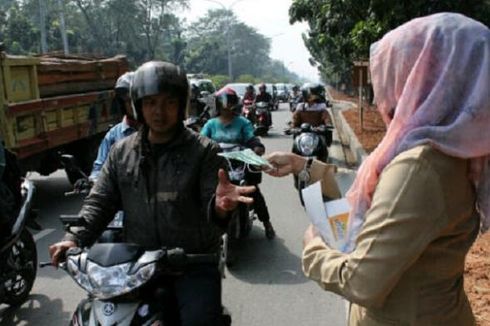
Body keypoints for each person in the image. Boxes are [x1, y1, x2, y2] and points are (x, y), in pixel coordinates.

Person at [265, 13, 489, 325]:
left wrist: (314, 251)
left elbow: (361, 280)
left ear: (420, 75)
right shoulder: (456, 148)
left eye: (397, 71)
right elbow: (375, 213)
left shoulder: (419, 166)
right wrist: (305, 166)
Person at [49, 61, 256, 325]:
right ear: (139, 106)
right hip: (135, 265)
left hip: (191, 264)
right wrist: (73, 239)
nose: (159, 112)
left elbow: (213, 208)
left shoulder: (204, 151)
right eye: (150, 103)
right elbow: (100, 201)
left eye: (169, 103)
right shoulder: (121, 152)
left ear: (181, 105)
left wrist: (220, 207)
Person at [201, 87, 275, 240]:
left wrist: (257, 147)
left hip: (239, 164)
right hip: (218, 165)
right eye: (223, 102)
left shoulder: (243, 122)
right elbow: (201, 141)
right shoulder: (210, 124)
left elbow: (251, 137)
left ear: (235, 104)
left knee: (253, 191)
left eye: (230, 102)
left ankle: (267, 223)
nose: (227, 106)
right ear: (217, 104)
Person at [88, 71, 139, 183]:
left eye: (135, 101)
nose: (132, 105)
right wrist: (93, 180)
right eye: (128, 101)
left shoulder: (154, 131)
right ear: (122, 104)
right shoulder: (113, 135)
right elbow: (99, 166)